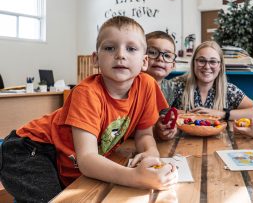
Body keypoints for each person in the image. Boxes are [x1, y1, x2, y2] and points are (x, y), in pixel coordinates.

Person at [0, 16, 178, 202]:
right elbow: (87, 160)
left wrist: (150, 153)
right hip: (30, 149)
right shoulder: (86, 92)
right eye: (110, 48)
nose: (120, 55)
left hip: (65, 159)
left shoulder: (147, 85)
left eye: (131, 48)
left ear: (144, 61)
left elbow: (145, 135)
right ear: (96, 59)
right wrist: (136, 178)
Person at [172, 40, 253, 120]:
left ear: (220, 66)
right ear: (193, 63)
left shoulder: (229, 90)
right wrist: (187, 114)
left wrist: (222, 114)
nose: (207, 66)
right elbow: (161, 110)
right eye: (201, 61)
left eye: (213, 62)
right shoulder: (178, 85)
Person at [145, 30, 178, 140]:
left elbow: (164, 116)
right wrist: (154, 130)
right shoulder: (129, 86)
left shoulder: (170, 88)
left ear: (173, 65)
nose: (160, 58)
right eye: (153, 52)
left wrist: (167, 128)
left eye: (167, 55)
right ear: (142, 57)